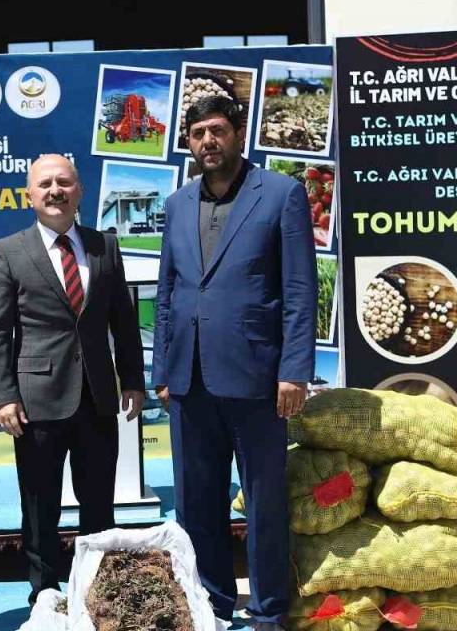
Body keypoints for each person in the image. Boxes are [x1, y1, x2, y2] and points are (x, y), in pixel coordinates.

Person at [151, 95, 317, 629]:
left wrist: (293, 371)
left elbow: (298, 290)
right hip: (190, 380)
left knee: (264, 503)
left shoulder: (281, 194)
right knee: (197, 503)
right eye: (198, 133)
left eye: (217, 130)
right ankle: (212, 604)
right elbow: (170, 291)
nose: (207, 142)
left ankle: (269, 610)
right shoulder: (177, 204)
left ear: (238, 132)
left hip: (258, 379)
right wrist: (162, 372)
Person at [0, 154, 145, 605]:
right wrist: (2, 397)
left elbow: (123, 321)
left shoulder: (104, 246)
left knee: (99, 504)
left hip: (97, 398)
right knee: (39, 507)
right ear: (29, 196)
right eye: (45, 184)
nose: (55, 191)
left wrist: (132, 378)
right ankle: (45, 594)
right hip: (35, 403)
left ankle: (97, 590)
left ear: (80, 191)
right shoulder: (9, 251)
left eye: (64, 183)